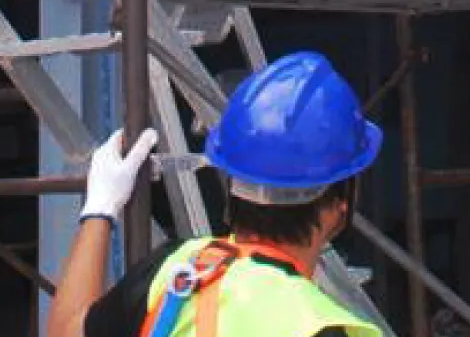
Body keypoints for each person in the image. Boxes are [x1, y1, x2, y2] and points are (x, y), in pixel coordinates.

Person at [47, 52, 383, 337]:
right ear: (338, 208)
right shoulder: (322, 326)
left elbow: (66, 331)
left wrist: (100, 209)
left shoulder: (178, 270)